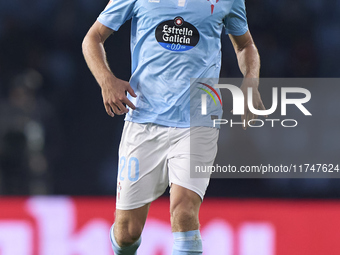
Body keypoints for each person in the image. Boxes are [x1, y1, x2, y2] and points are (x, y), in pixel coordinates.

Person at [82, 0, 265, 254]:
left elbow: (245, 45)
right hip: (144, 119)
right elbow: (93, 38)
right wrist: (106, 80)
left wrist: (251, 81)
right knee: (126, 233)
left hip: (199, 121)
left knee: (184, 211)